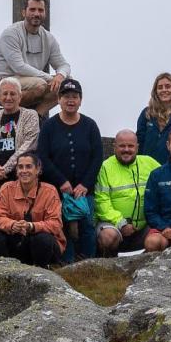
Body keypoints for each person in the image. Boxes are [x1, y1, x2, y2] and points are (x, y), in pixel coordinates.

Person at [37, 79, 103, 263]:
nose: (70, 100)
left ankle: (89, 263)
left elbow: (97, 157)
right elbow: (43, 156)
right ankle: (66, 262)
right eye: (66, 96)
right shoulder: (49, 126)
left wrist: (85, 185)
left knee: (87, 225)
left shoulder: (90, 125)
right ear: (58, 99)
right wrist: (61, 182)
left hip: (84, 189)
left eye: (75, 97)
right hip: (57, 189)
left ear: (80, 100)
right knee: (61, 225)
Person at [0, 0, 71, 115]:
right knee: (40, 84)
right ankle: (10, 113)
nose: (37, 14)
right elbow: (19, 67)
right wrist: (51, 79)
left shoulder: (48, 38)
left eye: (40, 10)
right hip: (0, 84)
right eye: (32, 9)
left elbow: (63, 65)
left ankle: (36, 117)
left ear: (45, 13)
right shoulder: (11, 34)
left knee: (68, 84)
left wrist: (60, 76)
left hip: (32, 82)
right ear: (23, 12)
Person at [0, 152, 65, 267]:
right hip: (16, 240)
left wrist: (31, 226)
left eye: (29, 166)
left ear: (38, 170)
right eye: (20, 167)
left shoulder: (50, 191)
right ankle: (5, 272)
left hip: (42, 245)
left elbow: (55, 224)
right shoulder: (6, 188)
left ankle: (42, 275)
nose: (24, 171)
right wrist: (12, 225)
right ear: (16, 171)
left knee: (43, 239)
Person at [95, 130, 160, 256]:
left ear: (137, 147)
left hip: (145, 225)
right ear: (114, 147)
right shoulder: (105, 167)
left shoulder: (149, 162)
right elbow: (101, 201)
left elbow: (167, 182)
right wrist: (121, 223)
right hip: (113, 225)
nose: (126, 149)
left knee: (159, 239)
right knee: (108, 237)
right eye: (122, 146)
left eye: (130, 146)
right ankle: (107, 271)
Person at [0, 77, 40, 187]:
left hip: (21, 180)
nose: (8, 97)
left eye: (13, 94)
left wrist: (5, 169)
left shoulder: (30, 116)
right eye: (5, 94)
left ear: (20, 97)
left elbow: (29, 144)